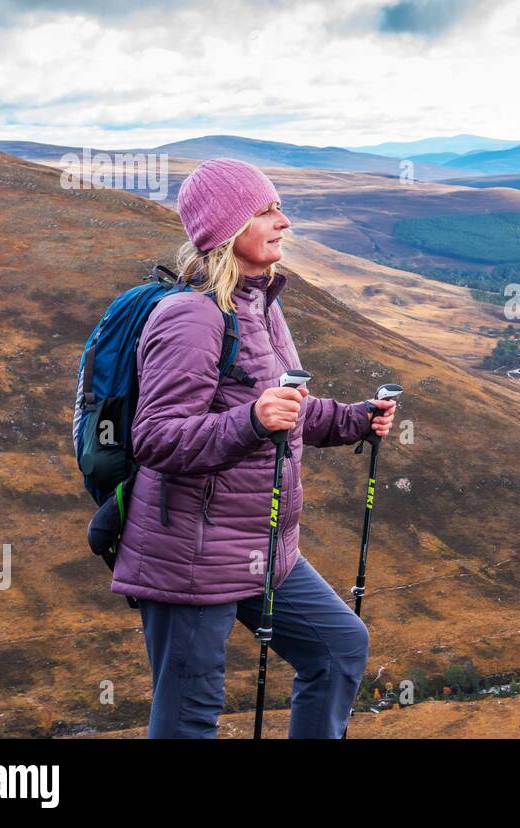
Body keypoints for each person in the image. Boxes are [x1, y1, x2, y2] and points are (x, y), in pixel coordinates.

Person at [110, 157, 396, 738]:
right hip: (189, 553)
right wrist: (251, 421)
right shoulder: (191, 316)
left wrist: (354, 421)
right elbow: (156, 437)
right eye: (266, 210)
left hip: (261, 544)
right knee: (191, 713)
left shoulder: (261, 305)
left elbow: (283, 410)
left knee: (339, 647)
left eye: (279, 207)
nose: (283, 221)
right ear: (226, 226)